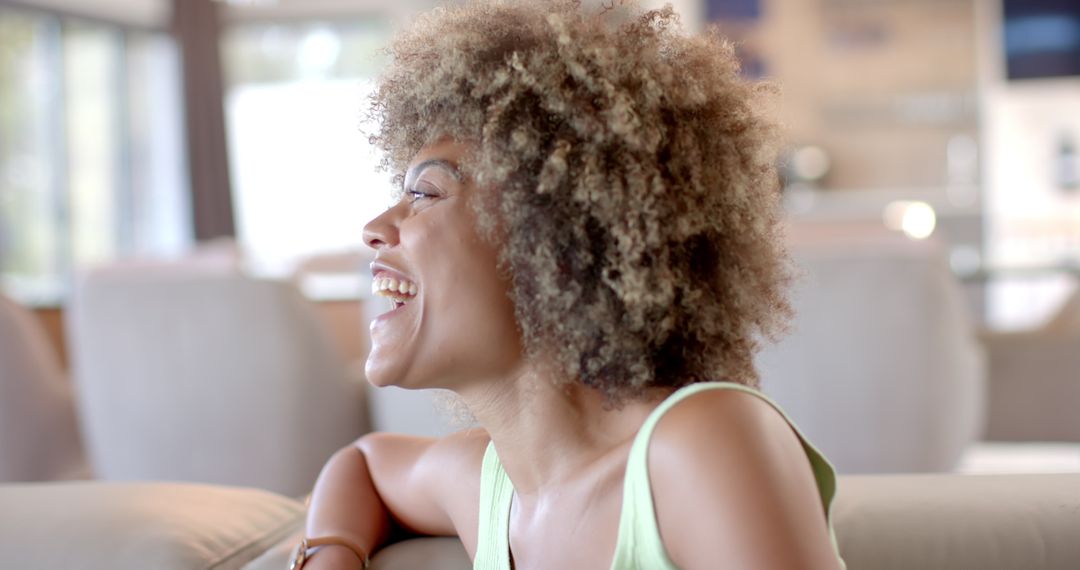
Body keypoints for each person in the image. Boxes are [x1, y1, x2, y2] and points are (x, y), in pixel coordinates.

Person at [296, 1, 845, 568]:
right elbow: (363, 466)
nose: (375, 229)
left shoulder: (701, 443)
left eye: (426, 193)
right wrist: (328, 555)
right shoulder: (493, 491)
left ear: (555, 240)